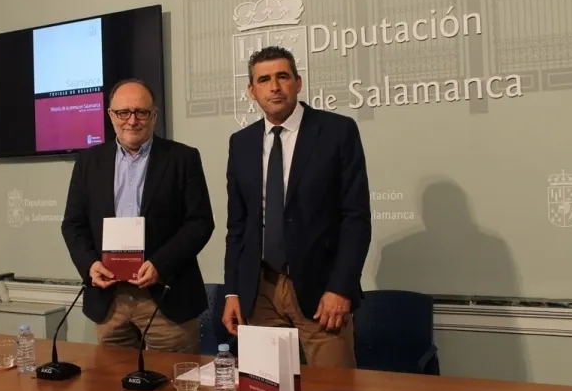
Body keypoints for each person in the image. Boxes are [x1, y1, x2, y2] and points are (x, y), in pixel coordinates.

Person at [222, 46, 372, 368]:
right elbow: (238, 226)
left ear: (298, 83)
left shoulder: (337, 131)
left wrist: (341, 288)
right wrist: (232, 292)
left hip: (322, 293)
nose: (274, 87)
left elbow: (355, 218)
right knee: (266, 387)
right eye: (264, 80)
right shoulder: (241, 142)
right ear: (252, 90)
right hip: (260, 291)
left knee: (334, 390)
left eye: (283, 77)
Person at [61, 78, 215, 353]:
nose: (132, 121)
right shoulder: (88, 162)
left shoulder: (183, 158)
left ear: (154, 116)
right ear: (111, 115)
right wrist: (89, 265)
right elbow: (73, 224)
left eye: (141, 112)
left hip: (167, 300)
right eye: (123, 112)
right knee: (112, 379)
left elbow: (200, 223)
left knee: (173, 378)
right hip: (110, 301)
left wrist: (160, 265)